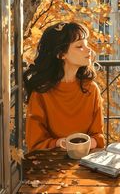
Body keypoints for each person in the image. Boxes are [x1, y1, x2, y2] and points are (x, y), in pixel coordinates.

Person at [24, 22, 105, 152]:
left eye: (86, 44)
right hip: (50, 163)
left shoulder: (91, 89)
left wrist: (83, 146)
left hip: (86, 161)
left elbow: (99, 138)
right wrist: (60, 143)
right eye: (79, 46)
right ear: (61, 54)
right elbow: (35, 143)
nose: (88, 49)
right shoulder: (41, 92)